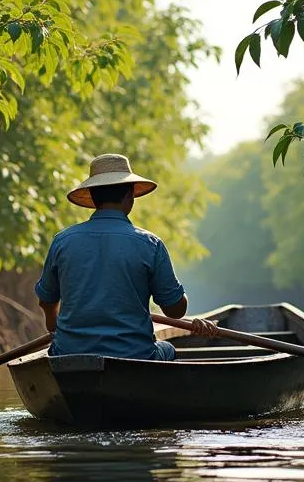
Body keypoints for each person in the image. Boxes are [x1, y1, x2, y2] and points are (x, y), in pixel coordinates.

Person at [35, 153, 218, 359]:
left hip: (68, 354)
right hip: (135, 354)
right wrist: (179, 296)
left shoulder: (62, 241)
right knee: (169, 350)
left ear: (93, 197)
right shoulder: (150, 244)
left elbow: (47, 301)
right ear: (130, 196)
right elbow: (175, 311)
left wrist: (54, 325)